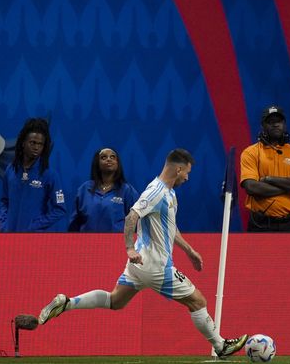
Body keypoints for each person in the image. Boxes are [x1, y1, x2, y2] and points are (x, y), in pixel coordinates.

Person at [36, 149, 248, 358]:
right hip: (155, 266)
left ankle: (67, 302)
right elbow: (131, 217)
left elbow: (169, 227)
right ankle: (220, 346)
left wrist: (189, 250)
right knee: (198, 301)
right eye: (187, 173)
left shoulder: (170, 192)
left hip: (139, 265)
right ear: (178, 169)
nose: (187, 177)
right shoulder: (155, 192)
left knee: (116, 301)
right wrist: (129, 248)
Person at [240, 105, 290, 232]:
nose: (275, 125)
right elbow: (252, 187)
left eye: (278, 121)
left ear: (284, 124)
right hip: (260, 224)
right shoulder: (250, 152)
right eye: (271, 122)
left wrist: (269, 179)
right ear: (263, 126)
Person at [0, 118, 66, 232]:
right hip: (9, 236)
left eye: (40, 144)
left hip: (34, 239)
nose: (36, 147)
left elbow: (60, 209)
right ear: (23, 143)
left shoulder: (49, 174)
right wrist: (4, 224)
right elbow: (5, 201)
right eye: (33, 143)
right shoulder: (10, 170)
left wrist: (35, 226)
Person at [69, 148, 139, 232]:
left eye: (112, 157)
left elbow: (136, 222)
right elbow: (74, 223)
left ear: (117, 164)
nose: (109, 159)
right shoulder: (84, 189)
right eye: (103, 157)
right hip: (86, 242)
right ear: (97, 164)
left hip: (117, 243)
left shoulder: (127, 190)